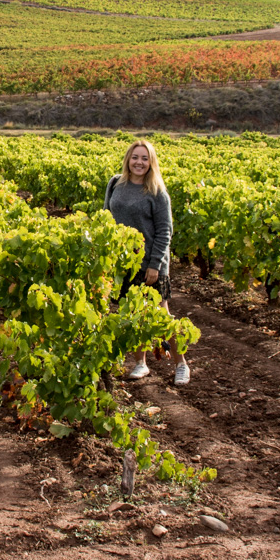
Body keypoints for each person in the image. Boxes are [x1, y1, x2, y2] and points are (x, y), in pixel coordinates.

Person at [104, 139, 189, 386]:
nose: (139, 162)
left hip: (152, 264)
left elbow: (165, 231)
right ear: (128, 159)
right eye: (135, 157)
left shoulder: (156, 191)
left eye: (144, 158)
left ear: (151, 162)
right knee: (131, 313)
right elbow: (106, 218)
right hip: (123, 264)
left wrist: (154, 264)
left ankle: (181, 364)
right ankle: (141, 363)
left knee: (162, 315)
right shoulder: (115, 184)